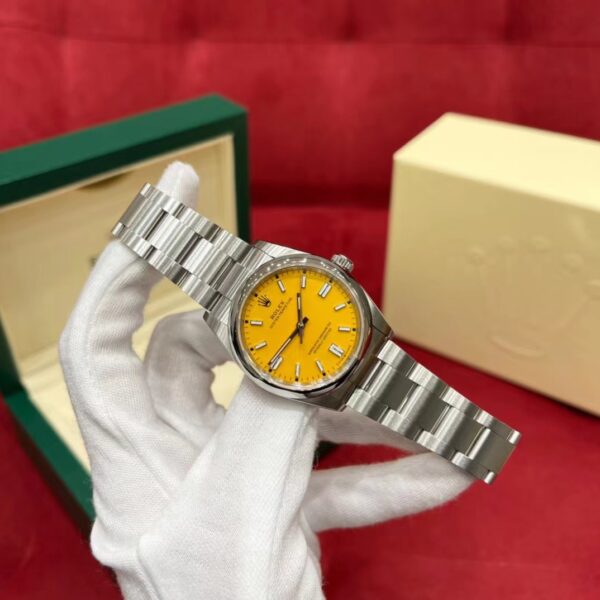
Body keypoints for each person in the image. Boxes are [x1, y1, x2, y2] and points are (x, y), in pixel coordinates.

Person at [59, 162, 473, 599]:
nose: (300, 327)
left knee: (177, 338)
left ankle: (470, 438)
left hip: (305, 349)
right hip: (293, 348)